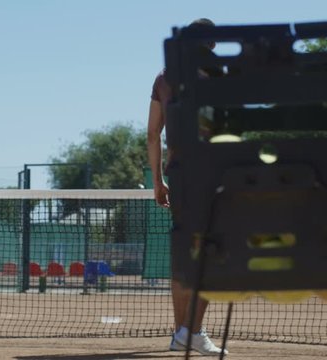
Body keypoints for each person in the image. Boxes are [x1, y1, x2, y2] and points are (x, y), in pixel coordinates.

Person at [146, 18, 228, 356]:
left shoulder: (164, 78)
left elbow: (153, 134)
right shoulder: (218, 75)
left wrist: (158, 181)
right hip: (212, 174)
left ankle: (183, 333)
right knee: (210, 254)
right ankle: (191, 332)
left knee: (185, 253)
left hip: (178, 175)